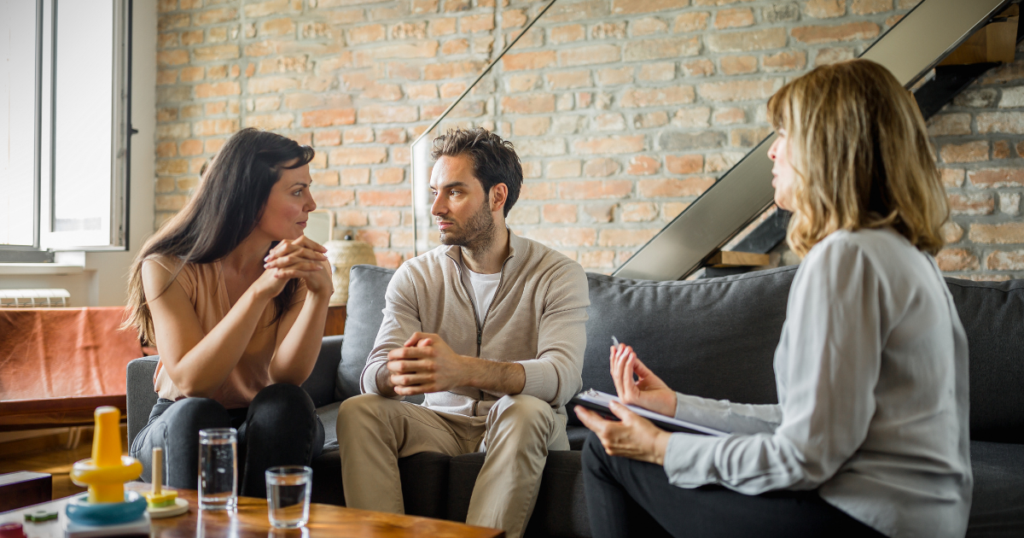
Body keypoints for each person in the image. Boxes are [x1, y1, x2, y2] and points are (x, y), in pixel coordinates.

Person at [575, 59, 972, 538]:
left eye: (784, 134)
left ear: (826, 147)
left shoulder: (845, 259)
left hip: (861, 520)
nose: (773, 152)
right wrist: (675, 408)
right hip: (914, 518)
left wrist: (661, 448)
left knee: (605, 451)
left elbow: (806, 455)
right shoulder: (902, 254)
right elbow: (804, 425)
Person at [335, 127, 589, 538]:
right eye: (434, 192)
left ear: (497, 197)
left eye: (454, 192)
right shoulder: (415, 276)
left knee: (524, 409)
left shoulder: (557, 275)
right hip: (440, 424)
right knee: (358, 411)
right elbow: (372, 374)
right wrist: (393, 374)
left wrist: (462, 371)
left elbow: (562, 378)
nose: (436, 207)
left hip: (519, 423)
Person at [124, 128, 332, 498]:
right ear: (250, 198)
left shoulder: (294, 266)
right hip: (178, 419)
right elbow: (193, 383)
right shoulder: (167, 265)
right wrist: (259, 293)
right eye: (298, 191)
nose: (312, 204)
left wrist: (320, 294)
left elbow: (286, 376)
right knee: (196, 415)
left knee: (286, 404)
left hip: (264, 418)